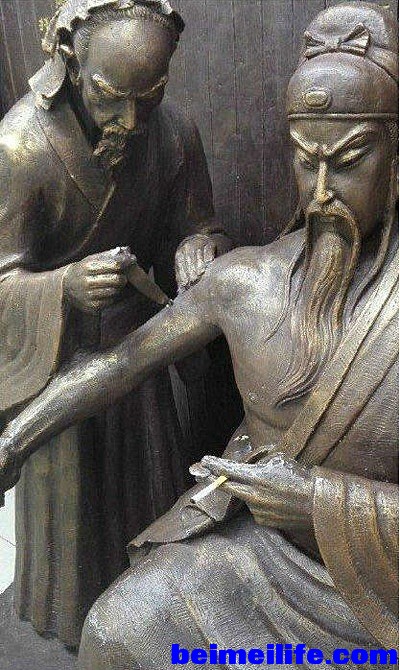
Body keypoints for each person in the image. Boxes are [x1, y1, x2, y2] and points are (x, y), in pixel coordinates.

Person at [0, 2, 398, 667]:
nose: (322, 191)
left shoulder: (173, 137)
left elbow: (195, 223)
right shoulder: (249, 282)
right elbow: (118, 365)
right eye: (306, 162)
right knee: (117, 628)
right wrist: (13, 440)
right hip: (261, 554)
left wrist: (321, 503)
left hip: (380, 572)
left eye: (350, 161)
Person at [0, 0, 233, 647]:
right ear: (70, 65)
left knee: (147, 498)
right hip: (61, 364)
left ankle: (147, 626)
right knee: (74, 516)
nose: (129, 120)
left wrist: (198, 246)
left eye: (148, 97)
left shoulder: (175, 133)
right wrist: (63, 287)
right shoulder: (19, 148)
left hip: (139, 354)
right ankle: (72, 625)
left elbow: (199, 224)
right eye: (109, 96)